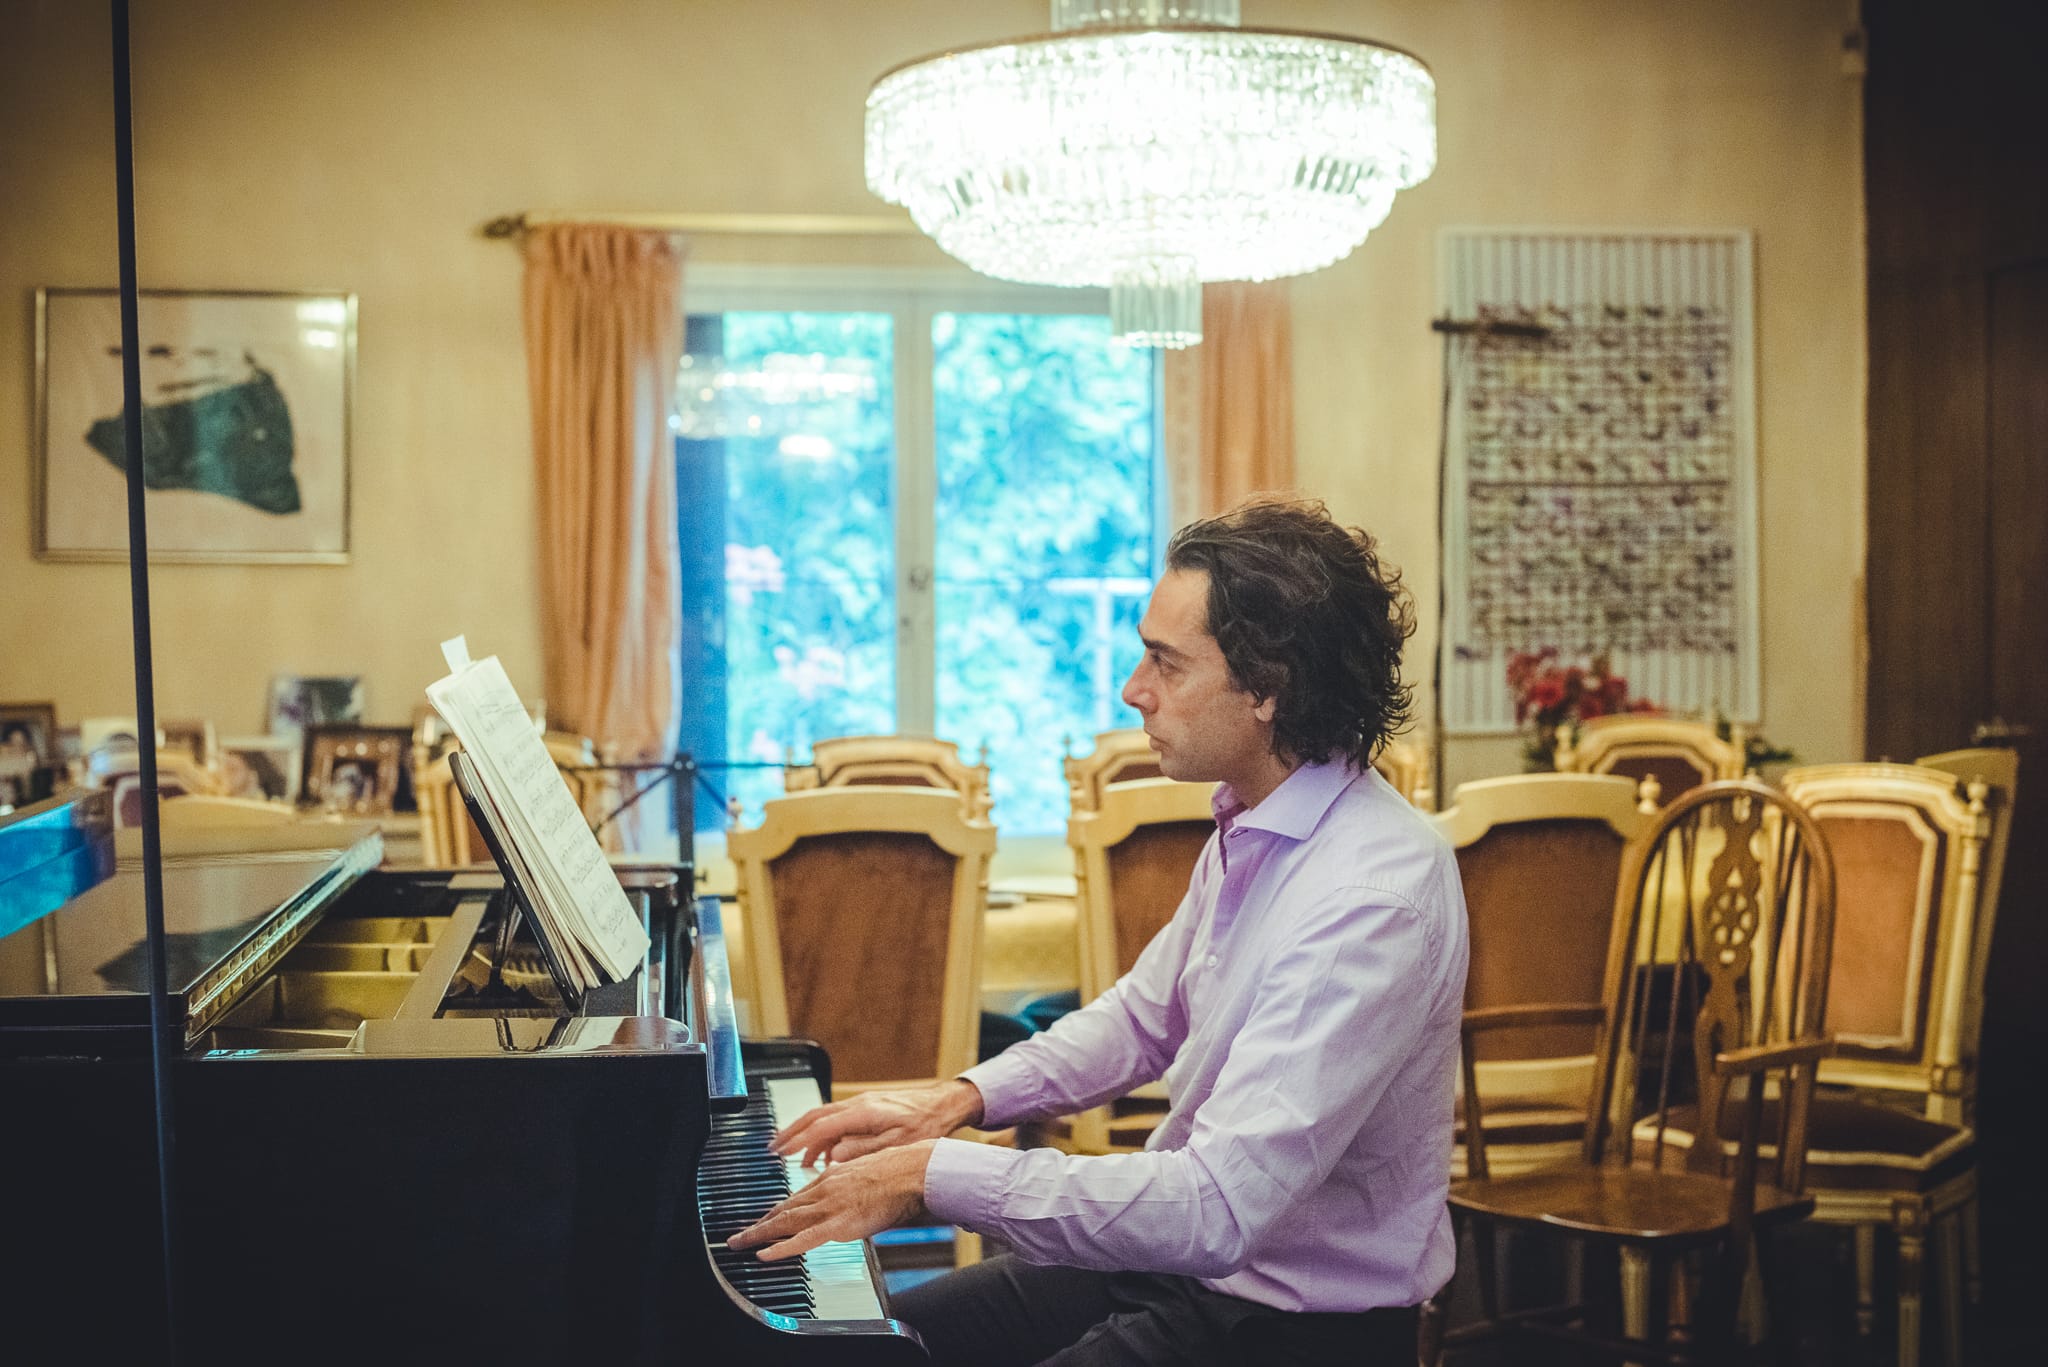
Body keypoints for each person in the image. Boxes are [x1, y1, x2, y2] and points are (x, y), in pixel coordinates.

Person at [729, 497, 1471, 1366]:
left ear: (1269, 688)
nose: (1133, 689)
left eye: (1167, 662)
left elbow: (1215, 1210)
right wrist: (959, 1098)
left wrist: (934, 1172)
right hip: (1185, 1271)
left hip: (1290, 1326)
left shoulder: (1371, 895)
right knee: (880, 1347)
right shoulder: (1257, 819)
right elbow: (1141, 1017)